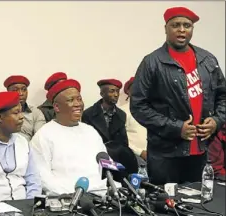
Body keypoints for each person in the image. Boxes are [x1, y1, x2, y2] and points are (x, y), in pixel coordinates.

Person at [130, 7, 226, 185]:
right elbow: (138, 106)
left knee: (198, 204)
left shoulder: (208, 60)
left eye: (187, 25)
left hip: (201, 150)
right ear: (166, 28)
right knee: (164, 205)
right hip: (165, 155)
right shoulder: (152, 62)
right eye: (176, 25)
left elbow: (223, 97)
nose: (182, 29)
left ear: (192, 29)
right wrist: (176, 127)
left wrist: (216, 121)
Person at [30, 79, 114, 196]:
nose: (78, 104)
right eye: (71, 100)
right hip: (66, 199)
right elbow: (43, 178)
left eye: (79, 99)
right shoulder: (43, 135)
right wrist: (71, 195)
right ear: (57, 107)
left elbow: (107, 167)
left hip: (100, 195)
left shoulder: (91, 131)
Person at [82, 79, 138, 176]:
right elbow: (86, 143)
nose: (116, 94)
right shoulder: (88, 114)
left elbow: (124, 143)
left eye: (117, 91)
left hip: (116, 162)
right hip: (96, 161)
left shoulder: (121, 115)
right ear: (102, 93)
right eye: (112, 91)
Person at [4, 75, 46, 141]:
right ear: (7, 92)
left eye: (24, 89)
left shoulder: (35, 113)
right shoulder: (0, 113)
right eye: (15, 90)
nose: (21, 93)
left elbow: (40, 138)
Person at [120, 77, 148, 163]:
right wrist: (140, 152)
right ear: (128, 91)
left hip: (156, 156)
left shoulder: (152, 109)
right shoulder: (122, 112)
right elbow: (120, 139)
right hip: (135, 156)